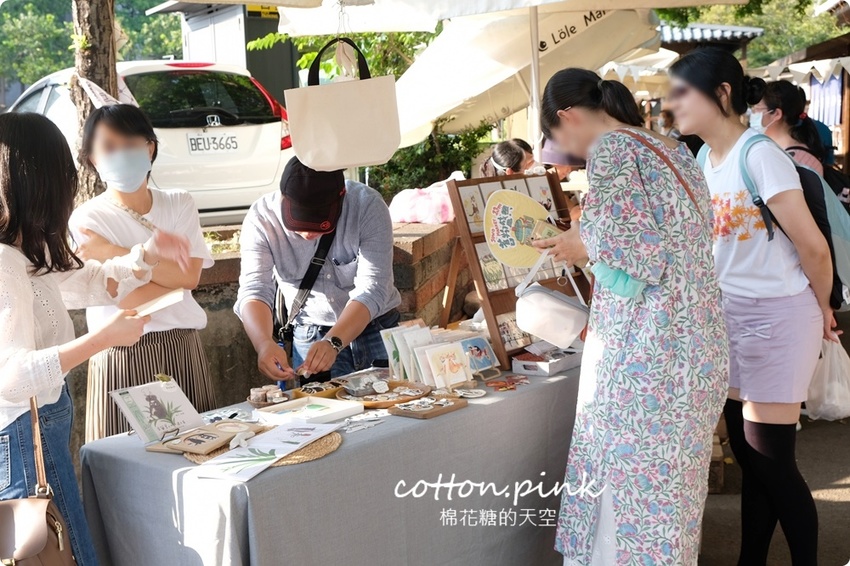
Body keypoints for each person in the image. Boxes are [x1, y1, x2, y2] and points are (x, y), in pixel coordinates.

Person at [533, 69, 728, 565]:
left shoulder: (614, 151)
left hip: (649, 355)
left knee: (630, 497)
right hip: (696, 346)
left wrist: (581, 243)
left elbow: (639, 258)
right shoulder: (671, 148)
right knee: (672, 500)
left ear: (566, 117)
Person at [669, 47, 837, 566]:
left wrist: (824, 307)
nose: (673, 105)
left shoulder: (758, 154)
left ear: (720, 94)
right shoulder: (703, 158)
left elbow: (812, 246)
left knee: (772, 460)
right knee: (750, 457)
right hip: (727, 321)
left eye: (682, 93)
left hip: (778, 319)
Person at [0, 112, 190, 565]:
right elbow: (10, 377)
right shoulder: (5, 262)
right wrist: (103, 338)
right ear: (38, 178)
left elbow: (90, 282)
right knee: (66, 553)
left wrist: (144, 254)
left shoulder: (28, 247)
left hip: (42, 428)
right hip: (24, 437)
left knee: (71, 551)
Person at [69, 104, 216, 442]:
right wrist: (168, 278)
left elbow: (190, 278)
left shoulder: (179, 203)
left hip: (182, 347)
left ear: (149, 147)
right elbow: (123, 295)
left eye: (131, 142)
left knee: (197, 456)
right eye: (108, 147)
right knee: (125, 468)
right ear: (93, 159)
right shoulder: (87, 219)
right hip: (122, 350)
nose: (121, 153)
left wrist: (112, 252)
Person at [236, 157, 401, 382]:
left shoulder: (367, 206)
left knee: (393, 406)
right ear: (284, 197)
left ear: (340, 198)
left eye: (318, 224)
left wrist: (334, 341)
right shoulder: (262, 219)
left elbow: (374, 288)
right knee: (318, 412)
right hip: (311, 329)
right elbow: (255, 288)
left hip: (376, 326)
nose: (307, 234)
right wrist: (264, 343)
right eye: (298, 224)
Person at [751, 80, 826, 176]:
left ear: (776, 114)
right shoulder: (782, 152)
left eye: (757, 109)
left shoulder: (797, 159)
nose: (753, 114)